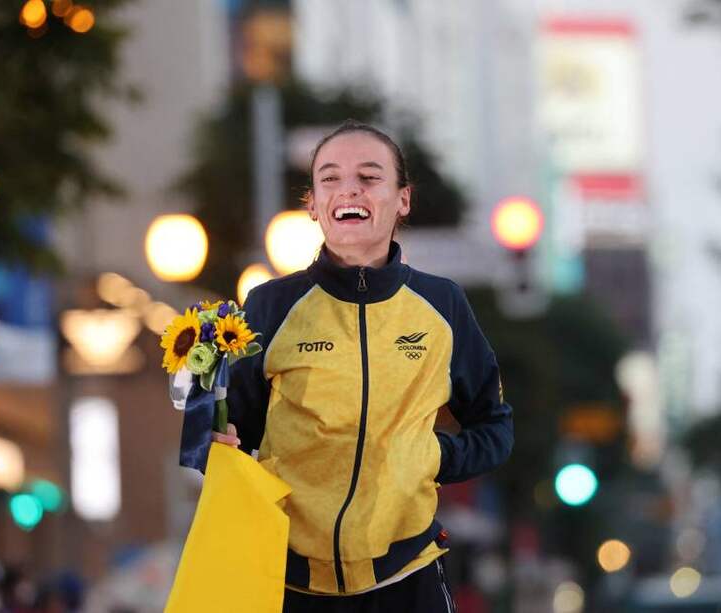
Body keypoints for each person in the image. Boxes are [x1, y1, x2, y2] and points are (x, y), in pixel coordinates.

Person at [212, 119, 513, 612]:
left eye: (369, 178)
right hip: (289, 582)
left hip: (408, 574)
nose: (348, 188)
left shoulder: (443, 305)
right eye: (330, 178)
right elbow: (229, 433)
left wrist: (430, 457)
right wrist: (215, 443)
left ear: (403, 200)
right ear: (312, 204)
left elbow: (494, 427)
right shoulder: (268, 306)